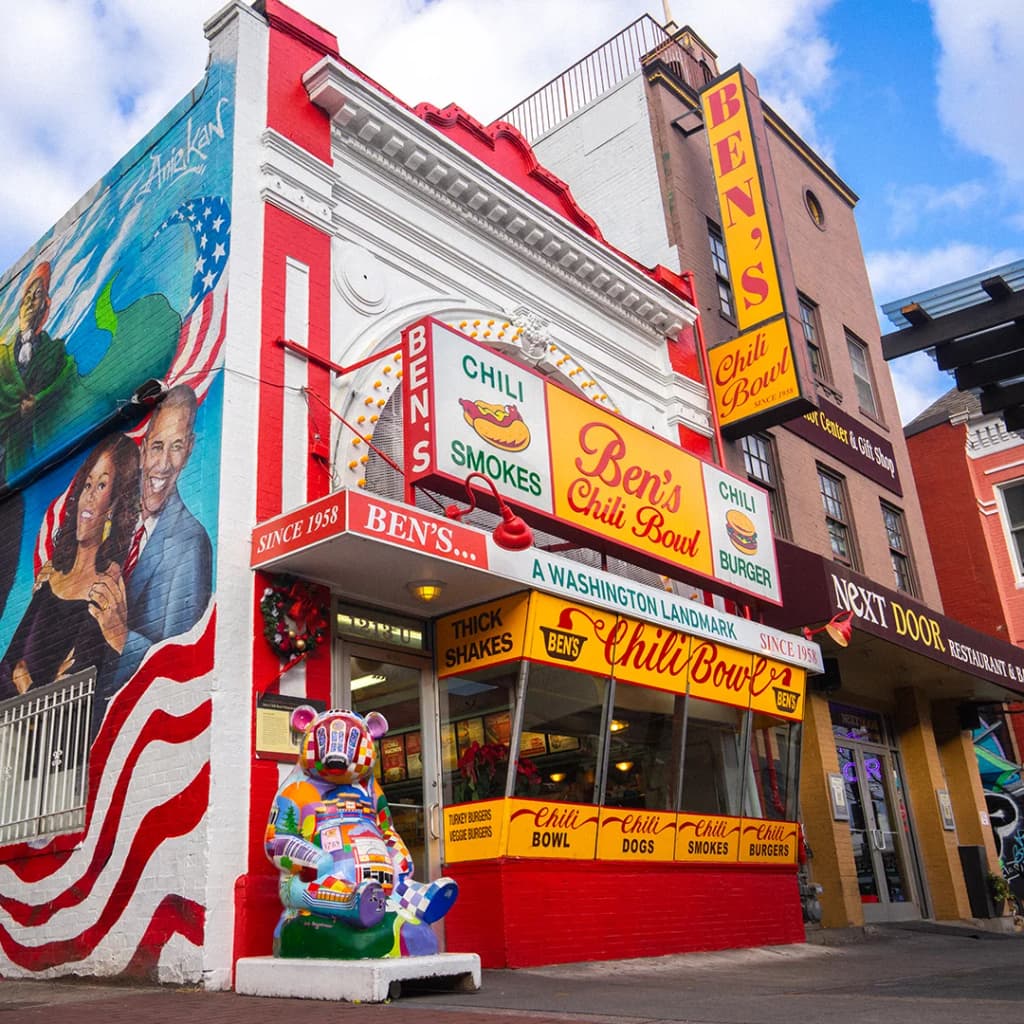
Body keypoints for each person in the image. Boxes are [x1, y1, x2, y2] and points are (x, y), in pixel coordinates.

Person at [91, 384, 212, 705]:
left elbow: (179, 664)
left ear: (189, 451)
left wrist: (120, 636)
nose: (163, 463)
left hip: (123, 721)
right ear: (143, 450)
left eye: (175, 447)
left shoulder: (191, 544)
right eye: (157, 446)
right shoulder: (116, 522)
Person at [0, 433, 139, 700]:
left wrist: (25, 683)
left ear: (114, 505)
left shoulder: (104, 595)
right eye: (87, 485)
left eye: (101, 486)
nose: (88, 497)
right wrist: (22, 680)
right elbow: (8, 665)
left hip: (54, 739)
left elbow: (74, 688)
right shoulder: (52, 578)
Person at [0, 262, 77, 480]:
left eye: (38, 295)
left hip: (27, 459)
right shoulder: (3, 357)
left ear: (46, 304)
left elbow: (65, 388)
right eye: (27, 298)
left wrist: (39, 402)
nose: (31, 302)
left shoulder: (54, 352)